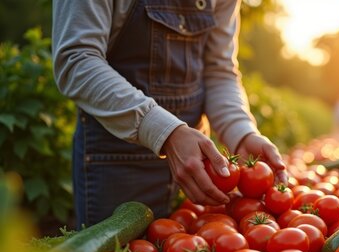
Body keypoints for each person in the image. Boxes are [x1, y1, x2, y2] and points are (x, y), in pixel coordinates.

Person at [51, 0, 287, 229]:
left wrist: (241, 132)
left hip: (199, 175)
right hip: (118, 165)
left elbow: (218, 70)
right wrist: (167, 133)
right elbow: (76, 60)